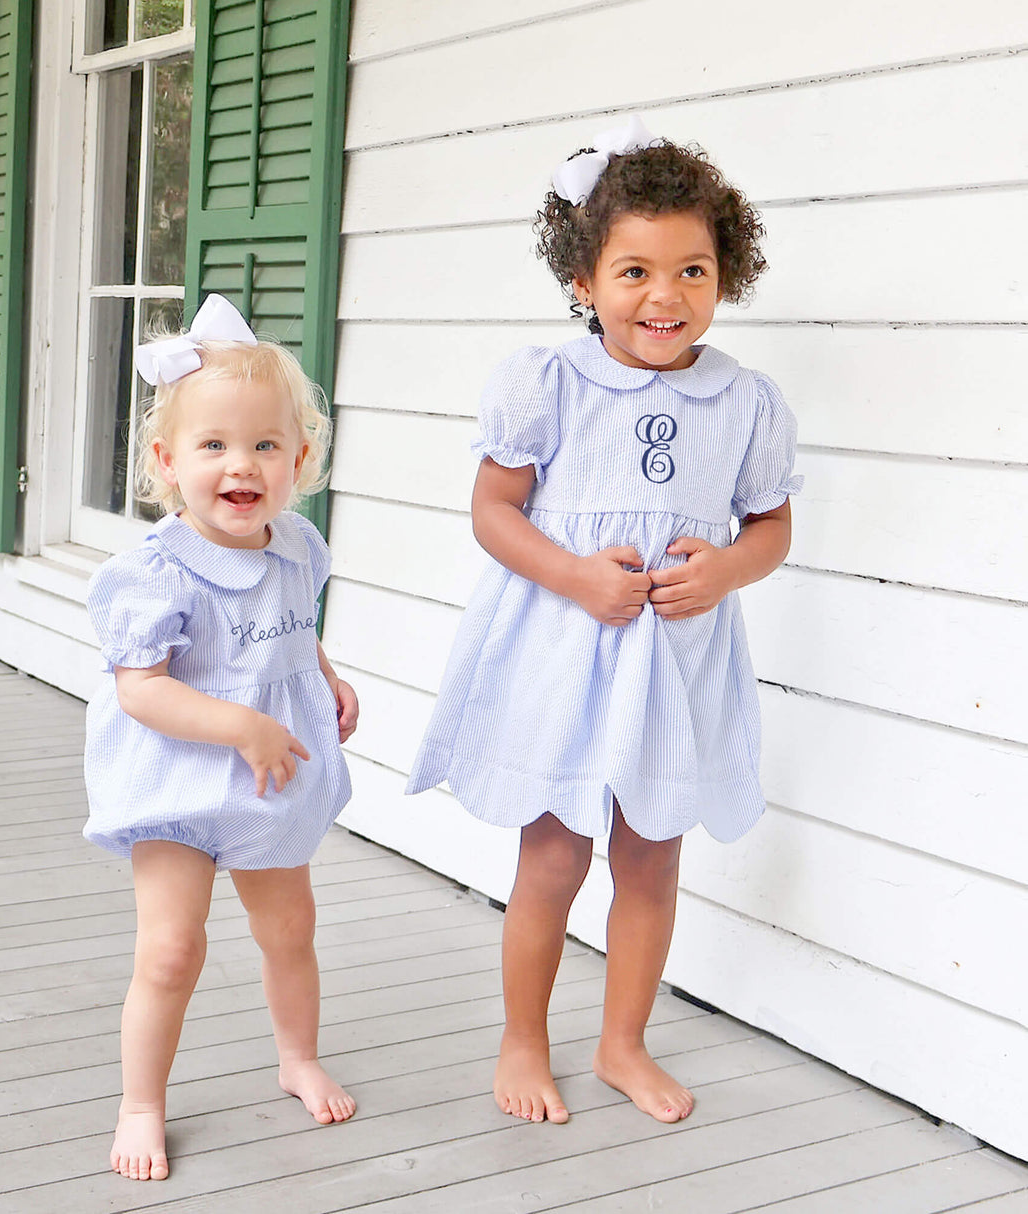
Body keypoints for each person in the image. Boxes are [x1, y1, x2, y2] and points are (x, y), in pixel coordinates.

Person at [407, 117, 803, 1127]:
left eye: (691, 269)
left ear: (725, 275)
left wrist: (723, 570)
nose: (663, 296)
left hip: (673, 659)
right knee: (552, 853)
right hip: (565, 649)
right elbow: (493, 511)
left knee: (650, 855)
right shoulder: (548, 383)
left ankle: (622, 1038)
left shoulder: (745, 402)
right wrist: (574, 575)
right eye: (632, 270)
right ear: (582, 279)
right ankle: (522, 1035)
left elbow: (768, 526)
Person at [83, 295, 359, 1181]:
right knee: (172, 947)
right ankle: (140, 1103)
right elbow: (142, 692)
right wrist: (240, 722)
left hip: (269, 775)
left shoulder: (298, 547)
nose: (241, 465)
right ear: (167, 463)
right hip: (178, 780)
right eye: (214, 446)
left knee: (290, 926)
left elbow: (289, 628)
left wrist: (324, 675)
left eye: (265, 446)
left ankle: (297, 1056)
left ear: (299, 459)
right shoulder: (151, 574)